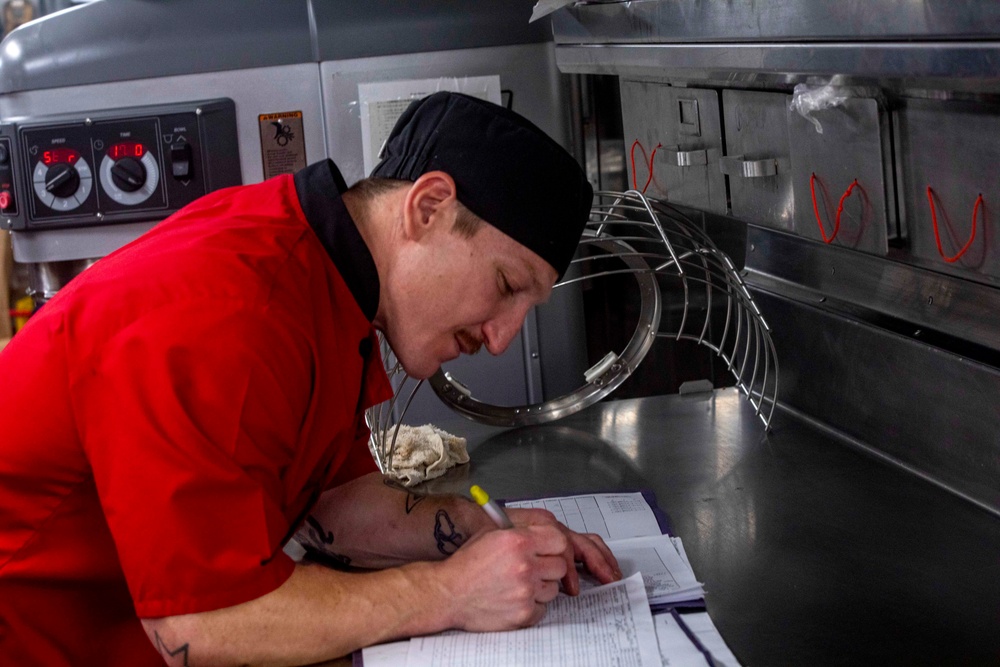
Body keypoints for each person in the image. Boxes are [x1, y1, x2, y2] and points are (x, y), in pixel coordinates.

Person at [0, 91, 620, 665]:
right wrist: (450, 593)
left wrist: (483, 529)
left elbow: (331, 505)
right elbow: (199, 624)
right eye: (506, 287)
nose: (501, 337)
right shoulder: (236, 313)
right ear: (428, 208)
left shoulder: (323, 278)